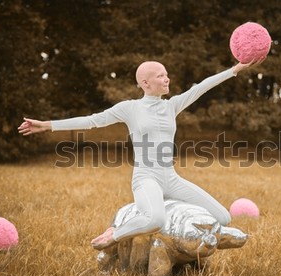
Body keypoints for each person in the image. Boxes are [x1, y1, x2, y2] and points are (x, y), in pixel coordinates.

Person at [18, 58, 264, 250]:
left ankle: (186, 243)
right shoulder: (130, 108)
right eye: (160, 76)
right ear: (145, 83)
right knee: (155, 219)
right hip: (146, 177)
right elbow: (92, 121)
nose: (167, 79)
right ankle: (116, 232)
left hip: (170, 178)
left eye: (166, 74)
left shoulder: (172, 106)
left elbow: (202, 87)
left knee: (223, 217)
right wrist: (48, 125)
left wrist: (235, 69)